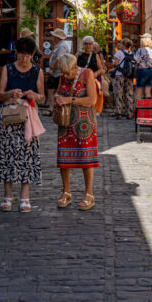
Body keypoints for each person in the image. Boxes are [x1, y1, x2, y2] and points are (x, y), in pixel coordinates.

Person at [0, 35, 45, 213]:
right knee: (7, 155)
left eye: (27, 55)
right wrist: (10, 93)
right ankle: (7, 196)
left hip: (28, 119)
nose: (23, 58)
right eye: (21, 54)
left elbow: (43, 96)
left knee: (27, 157)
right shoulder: (7, 69)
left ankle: (25, 197)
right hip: (9, 117)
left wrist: (34, 95)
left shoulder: (37, 72)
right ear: (16, 53)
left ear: (32, 55)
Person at [54, 53, 98, 210]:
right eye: (63, 73)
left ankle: (89, 194)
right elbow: (59, 92)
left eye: (68, 72)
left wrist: (70, 100)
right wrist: (57, 97)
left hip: (84, 123)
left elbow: (92, 100)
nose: (66, 76)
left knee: (86, 158)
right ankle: (66, 192)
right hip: (66, 123)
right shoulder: (63, 77)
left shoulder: (87, 74)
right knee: (64, 160)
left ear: (75, 67)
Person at [46, 27, 72, 113]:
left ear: (57, 38)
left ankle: (54, 109)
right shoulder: (60, 45)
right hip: (56, 73)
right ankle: (53, 109)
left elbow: (59, 59)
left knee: (53, 90)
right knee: (53, 90)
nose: (53, 38)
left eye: (54, 36)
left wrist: (52, 68)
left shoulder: (62, 46)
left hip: (57, 73)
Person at [110, 38, 135, 119]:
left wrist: (114, 62)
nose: (119, 45)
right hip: (129, 75)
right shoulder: (132, 53)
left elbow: (116, 63)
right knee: (129, 94)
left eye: (121, 44)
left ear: (124, 45)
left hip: (120, 75)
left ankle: (119, 113)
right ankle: (129, 113)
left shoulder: (119, 52)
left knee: (119, 93)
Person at [134, 33, 152, 101]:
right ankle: (147, 108)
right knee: (148, 92)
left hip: (143, 71)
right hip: (151, 71)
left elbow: (137, 60)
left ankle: (137, 108)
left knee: (139, 92)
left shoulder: (140, 50)